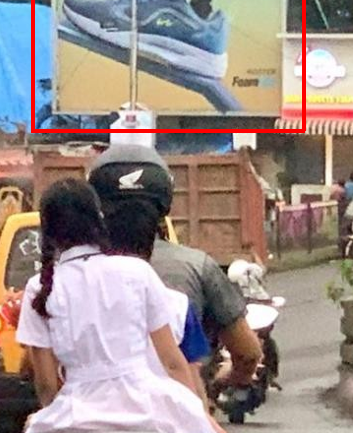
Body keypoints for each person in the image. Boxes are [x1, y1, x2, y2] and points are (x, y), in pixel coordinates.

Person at [5, 179, 251, 433]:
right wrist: (201, 416)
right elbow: (173, 362)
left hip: (79, 411)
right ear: (97, 219)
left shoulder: (40, 288)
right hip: (152, 407)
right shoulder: (136, 271)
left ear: (46, 230)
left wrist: (51, 421)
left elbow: (48, 386)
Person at [87, 145, 262, 389]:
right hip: (177, 416)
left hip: (92, 417)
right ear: (165, 204)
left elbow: (37, 367)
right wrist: (225, 382)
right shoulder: (193, 274)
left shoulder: (72, 278)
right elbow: (247, 352)